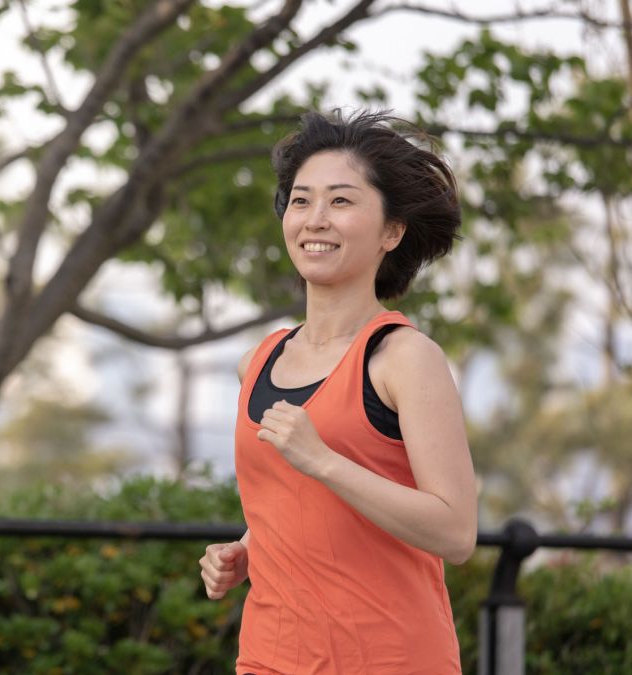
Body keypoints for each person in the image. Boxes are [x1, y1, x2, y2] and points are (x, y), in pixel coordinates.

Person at [198, 109, 478, 675]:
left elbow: (455, 532)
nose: (315, 219)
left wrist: (324, 461)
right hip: (270, 658)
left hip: (391, 661)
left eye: (341, 201)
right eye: (301, 201)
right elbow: (295, 499)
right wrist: (248, 546)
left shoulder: (404, 359)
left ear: (391, 232)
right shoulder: (258, 362)